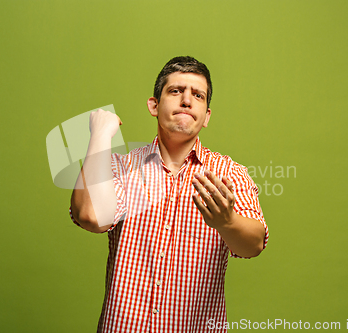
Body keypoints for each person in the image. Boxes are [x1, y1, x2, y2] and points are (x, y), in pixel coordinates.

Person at [69, 56, 269, 333]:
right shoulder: (120, 167)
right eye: (176, 91)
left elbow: (253, 245)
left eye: (197, 95)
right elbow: (90, 217)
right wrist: (101, 135)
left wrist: (227, 222)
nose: (186, 100)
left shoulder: (230, 173)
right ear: (154, 105)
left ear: (207, 115)